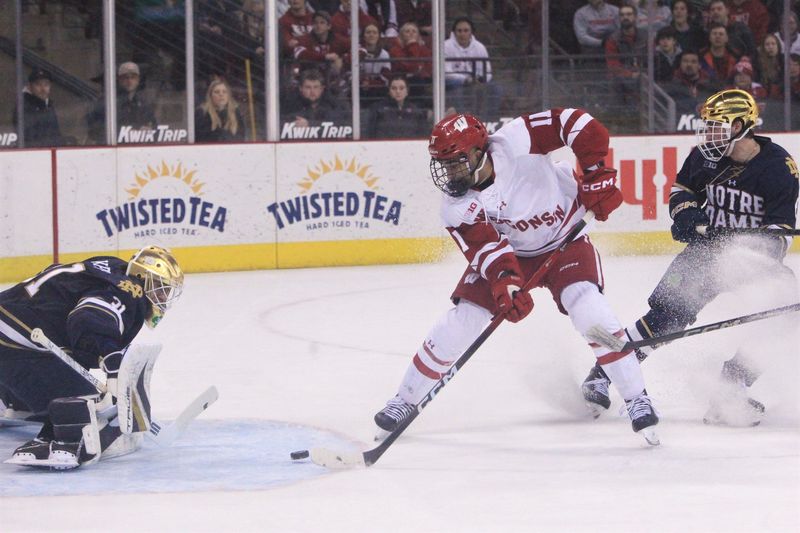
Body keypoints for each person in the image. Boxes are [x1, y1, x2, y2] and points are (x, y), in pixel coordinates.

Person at [373, 110, 661, 445]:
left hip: (565, 241)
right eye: (444, 164)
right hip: (511, 254)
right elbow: (487, 251)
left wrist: (597, 173)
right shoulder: (455, 205)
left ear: (479, 152)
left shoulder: (516, 140)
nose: (449, 172)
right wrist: (505, 285)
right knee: (462, 319)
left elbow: (579, 124)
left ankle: (636, 395)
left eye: (455, 161)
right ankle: (404, 400)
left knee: (590, 313)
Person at [581, 89, 799, 427]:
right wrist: (687, 216)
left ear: (741, 125)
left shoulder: (778, 168)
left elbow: (780, 234)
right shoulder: (704, 157)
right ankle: (604, 371)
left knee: (784, 312)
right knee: (666, 318)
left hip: (751, 262)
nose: (708, 134)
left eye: (716, 126)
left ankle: (732, 384)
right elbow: (682, 191)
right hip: (704, 254)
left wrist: (744, 249)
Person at [0, 245, 184, 469]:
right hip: (10, 337)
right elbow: (87, 318)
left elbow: (77, 329)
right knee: (83, 401)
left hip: (12, 319)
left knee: (62, 362)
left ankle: (10, 396)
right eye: (160, 288)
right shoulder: (130, 291)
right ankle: (62, 443)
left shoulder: (113, 269)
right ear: (141, 277)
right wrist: (112, 362)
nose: (163, 297)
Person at [86, 62, 158, 145]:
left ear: (138, 80)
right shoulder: (108, 102)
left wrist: (149, 131)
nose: (129, 81)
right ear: (119, 80)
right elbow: (94, 131)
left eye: (133, 77)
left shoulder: (143, 104)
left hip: (138, 150)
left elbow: (155, 130)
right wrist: (126, 132)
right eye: (125, 77)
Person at [444, 16, 501, 118]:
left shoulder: (479, 47)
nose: (462, 34)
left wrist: (481, 79)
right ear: (454, 32)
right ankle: (462, 120)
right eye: (459, 31)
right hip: (455, 82)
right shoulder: (446, 46)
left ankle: (488, 120)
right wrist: (466, 79)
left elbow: (488, 71)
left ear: (471, 32)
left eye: (466, 30)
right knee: (456, 90)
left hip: (476, 81)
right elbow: (445, 73)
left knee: (495, 89)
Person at [605, 4, 648, 104]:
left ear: (635, 17)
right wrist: (630, 74)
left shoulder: (646, 36)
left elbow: (653, 58)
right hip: (621, 78)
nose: (625, 17)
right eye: (622, 15)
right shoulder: (613, 39)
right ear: (619, 18)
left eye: (629, 14)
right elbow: (612, 64)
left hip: (643, 76)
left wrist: (642, 72)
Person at [13, 68, 63, 147]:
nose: (43, 89)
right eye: (38, 84)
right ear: (29, 86)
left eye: (46, 84)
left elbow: (55, 135)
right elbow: (30, 139)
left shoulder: (48, 106)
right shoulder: (24, 107)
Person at [359, 22, 392, 100]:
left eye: (374, 33)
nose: (371, 35)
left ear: (378, 36)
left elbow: (385, 77)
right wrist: (362, 82)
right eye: (368, 32)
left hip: (377, 88)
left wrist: (371, 84)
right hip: (359, 86)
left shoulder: (384, 54)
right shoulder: (357, 51)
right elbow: (351, 72)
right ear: (363, 36)